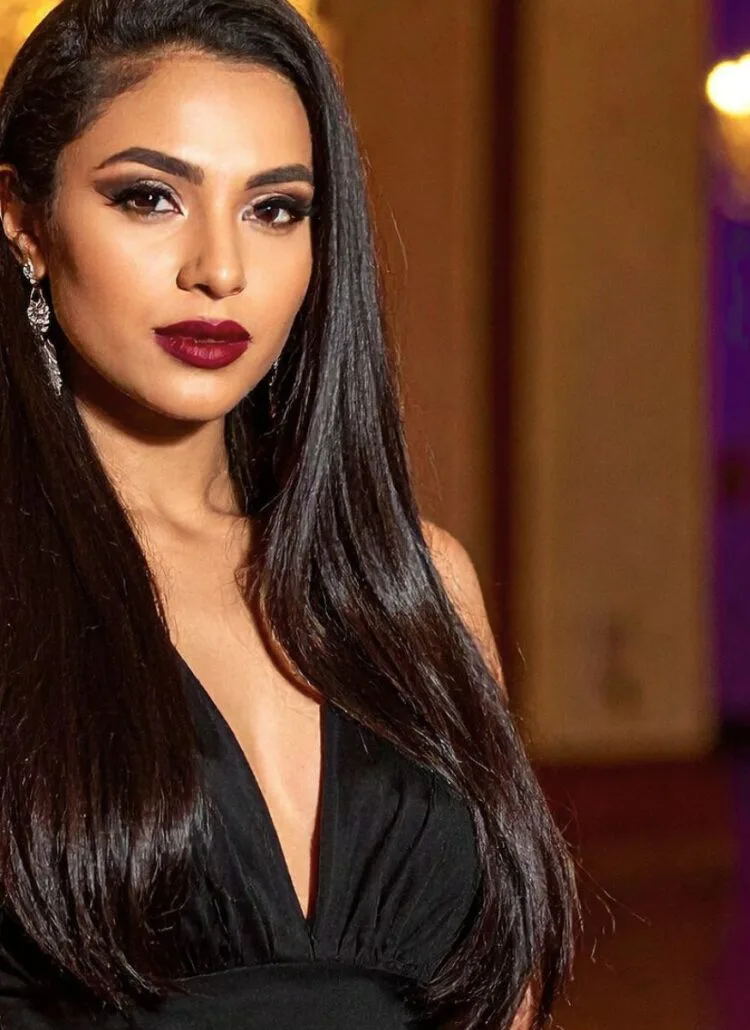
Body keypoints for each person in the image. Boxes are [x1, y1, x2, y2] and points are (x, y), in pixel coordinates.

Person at [0, 1, 577, 1027]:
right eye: (149, 197)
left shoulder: (416, 587)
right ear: (25, 220)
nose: (220, 269)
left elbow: (507, 987)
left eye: (275, 209)